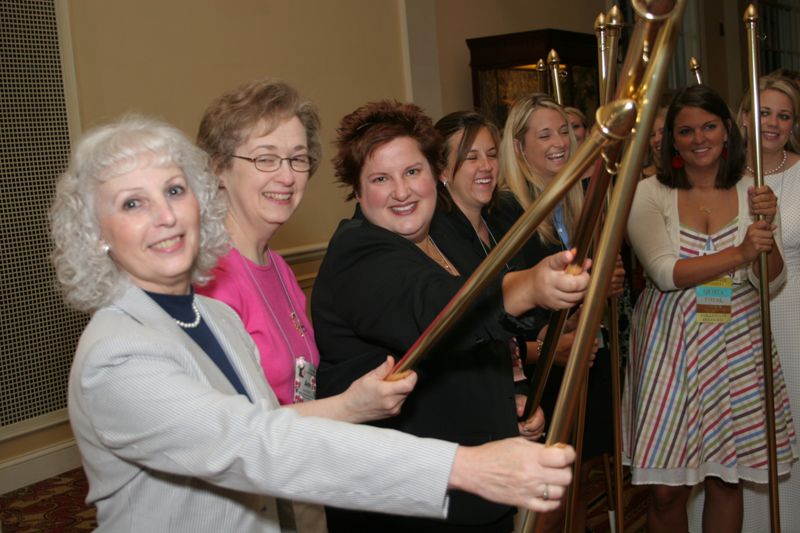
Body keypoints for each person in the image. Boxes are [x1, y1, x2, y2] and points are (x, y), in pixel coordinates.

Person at [49, 115, 578, 532]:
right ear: (97, 234)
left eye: (173, 190)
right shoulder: (117, 353)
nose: (164, 216)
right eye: (132, 203)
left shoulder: (211, 316)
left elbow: (270, 420)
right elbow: (254, 444)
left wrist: (352, 405)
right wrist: (464, 468)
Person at [311, 101, 590, 532]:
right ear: (358, 190)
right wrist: (530, 285)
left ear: (434, 173)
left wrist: (503, 408)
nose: (401, 192)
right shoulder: (357, 253)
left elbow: (461, 354)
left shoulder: (441, 238)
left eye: (412, 172)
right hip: (404, 501)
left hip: (471, 492)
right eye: (380, 179)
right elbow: (442, 309)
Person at [195, 77, 415, 533]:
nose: (287, 175)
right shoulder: (207, 277)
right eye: (265, 158)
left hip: (297, 484)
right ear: (218, 167)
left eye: (297, 158)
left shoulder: (277, 266)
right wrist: (353, 405)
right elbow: (227, 436)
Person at [623, 84, 797, 533]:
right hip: (670, 343)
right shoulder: (648, 192)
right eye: (685, 130)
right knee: (666, 487)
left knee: (727, 477)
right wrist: (740, 253)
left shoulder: (749, 190)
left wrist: (765, 226)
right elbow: (665, 272)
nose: (699, 138)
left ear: (726, 131)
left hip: (736, 338)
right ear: (672, 140)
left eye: (709, 126)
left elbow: (769, 277)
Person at [499, 93, 620, 533]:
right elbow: (507, 304)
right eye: (544, 134)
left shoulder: (573, 199)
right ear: (518, 146)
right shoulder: (509, 209)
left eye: (564, 132)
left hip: (585, 354)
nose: (559, 142)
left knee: (581, 480)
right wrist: (552, 344)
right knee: (547, 500)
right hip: (542, 370)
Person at [737, 75, 800, 532]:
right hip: (736, 315)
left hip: (794, 314)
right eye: (763, 112)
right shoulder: (717, 176)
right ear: (743, 118)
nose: (773, 122)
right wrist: (714, 314)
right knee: (744, 433)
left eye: (784, 115)